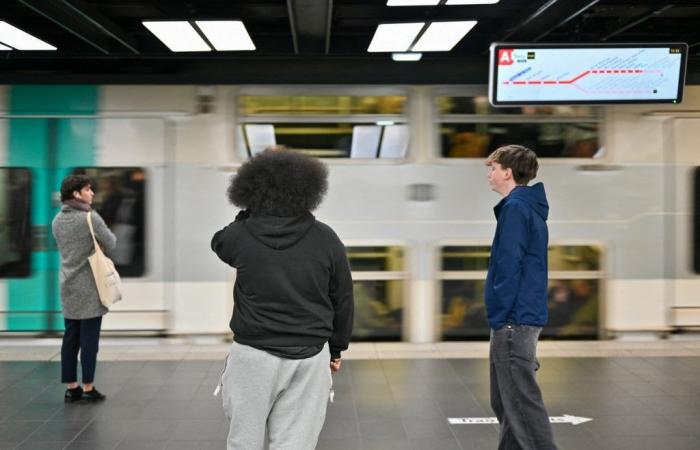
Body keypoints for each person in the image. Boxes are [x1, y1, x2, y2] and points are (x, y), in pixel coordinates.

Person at [211, 147, 354, 450]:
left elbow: (219, 242)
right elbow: (342, 298)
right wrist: (336, 348)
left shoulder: (240, 235)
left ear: (250, 189)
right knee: (295, 443)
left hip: (252, 355)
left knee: (243, 442)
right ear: (309, 190)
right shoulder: (326, 238)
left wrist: (250, 211)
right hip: (309, 356)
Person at [484, 145, 558, 450]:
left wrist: (499, 315)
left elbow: (508, 265)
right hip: (520, 316)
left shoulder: (516, 208)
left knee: (519, 402)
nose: (489, 174)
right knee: (506, 401)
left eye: (492, 168)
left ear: (507, 172)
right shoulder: (526, 207)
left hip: (514, 319)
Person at [52, 174, 116, 403]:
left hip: (68, 285)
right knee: (89, 341)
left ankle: (72, 387)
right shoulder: (90, 217)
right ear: (77, 194)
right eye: (88, 189)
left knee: (70, 338)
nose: (92, 193)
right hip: (90, 287)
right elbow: (111, 242)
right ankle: (88, 387)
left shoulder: (57, 221)